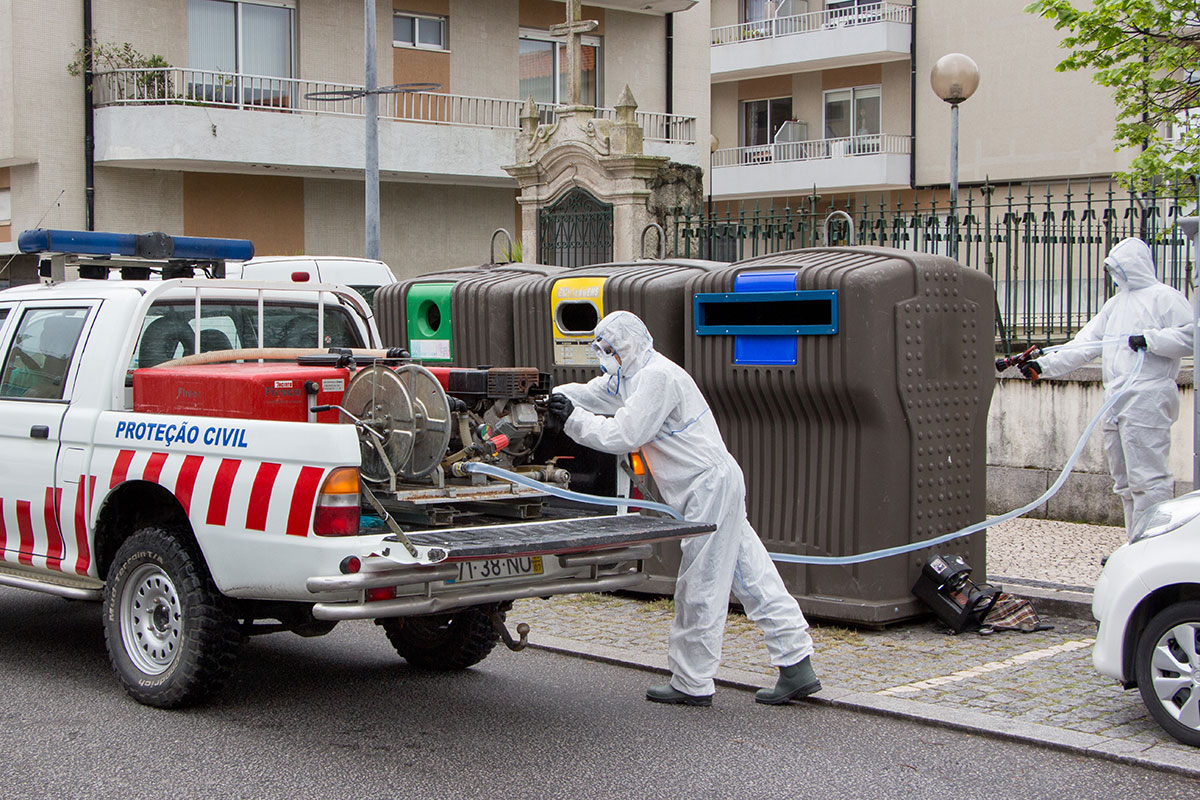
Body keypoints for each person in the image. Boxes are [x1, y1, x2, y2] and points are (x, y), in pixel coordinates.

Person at [546, 310, 819, 707]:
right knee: (752, 572)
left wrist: (572, 422)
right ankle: (797, 663)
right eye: (600, 349)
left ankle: (692, 682)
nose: (604, 355)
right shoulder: (631, 375)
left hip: (707, 485)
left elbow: (625, 434)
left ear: (629, 346)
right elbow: (594, 393)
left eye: (610, 349)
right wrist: (551, 398)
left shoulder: (658, 377)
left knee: (701, 583)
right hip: (707, 483)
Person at [1021, 237, 1193, 534]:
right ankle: (1133, 541)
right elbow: (1086, 344)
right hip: (1116, 397)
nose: (1115, 275)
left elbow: (1191, 336)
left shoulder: (1165, 297)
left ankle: (1152, 544)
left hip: (1148, 395)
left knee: (1148, 478)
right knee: (1124, 479)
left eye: (1119, 268)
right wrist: (1044, 366)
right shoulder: (1115, 305)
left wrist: (1151, 340)